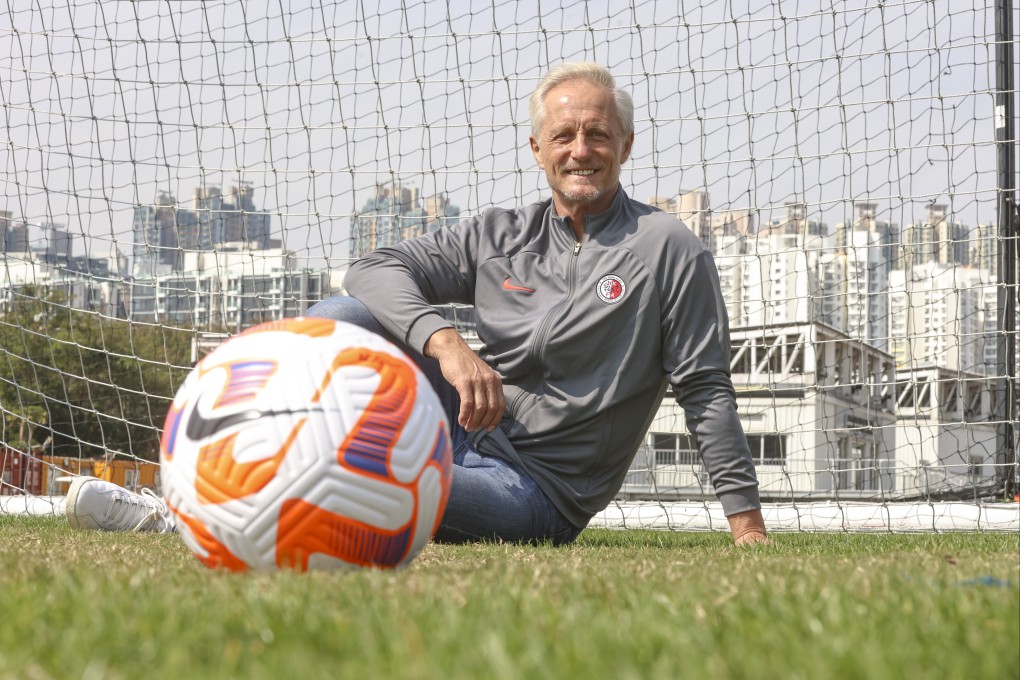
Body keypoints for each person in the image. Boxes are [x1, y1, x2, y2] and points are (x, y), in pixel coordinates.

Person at [66, 62, 768, 546]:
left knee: (347, 476)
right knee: (341, 318)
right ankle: (205, 482)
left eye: (597, 134)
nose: (580, 149)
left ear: (625, 146)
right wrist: (446, 343)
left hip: (535, 492)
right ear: (537, 149)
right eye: (564, 135)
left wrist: (747, 528)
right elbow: (371, 269)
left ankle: (172, 516)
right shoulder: (502, 235)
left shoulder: (668, 247)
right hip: (457, 424)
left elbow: (705, 389)